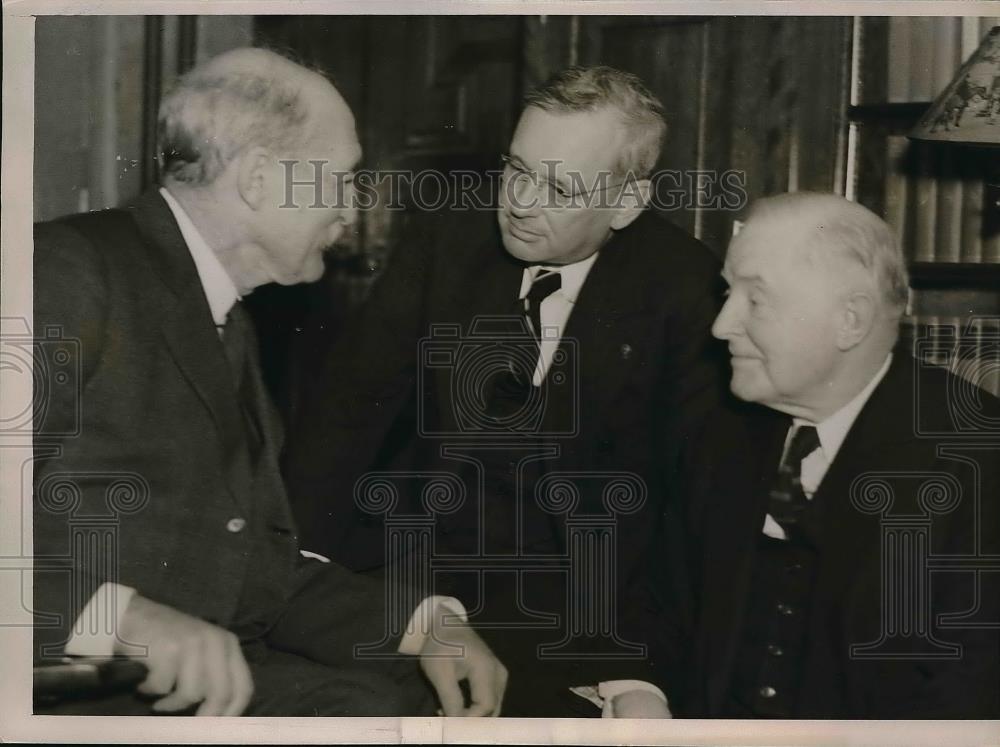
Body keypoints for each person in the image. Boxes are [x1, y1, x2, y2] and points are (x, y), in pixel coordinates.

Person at [32, 47, 506, 717]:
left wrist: (425, 621)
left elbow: (253, 562)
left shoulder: (228, 320)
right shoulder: (66, 270)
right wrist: (123, 617)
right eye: (342, 177)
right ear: (258, 178)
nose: (351, 209)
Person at [283, 66, 725, 716]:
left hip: (584, 617)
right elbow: (347, 413)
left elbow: (691, 513)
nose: (520, 201)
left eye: (559, 186)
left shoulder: (684, 289)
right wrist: (293, 569)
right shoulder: (447, 243)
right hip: (423, 582)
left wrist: (639, 677)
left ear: (628, 202)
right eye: (516, 169)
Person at [612, 192, 1000, 718]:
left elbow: (967, 697)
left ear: (850, 321)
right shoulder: (721, 429)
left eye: (756, 300)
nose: (721, 325)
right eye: (728, 294)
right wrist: (641, 691)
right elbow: (659, 601)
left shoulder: (977, 459)